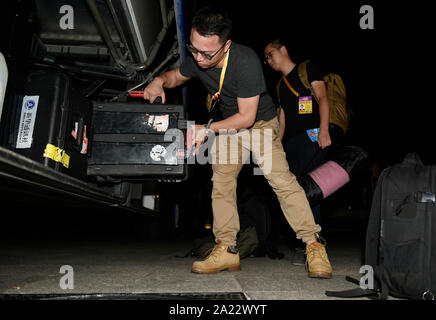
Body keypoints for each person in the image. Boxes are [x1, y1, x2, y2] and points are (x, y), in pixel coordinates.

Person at [143, 7, 332, 278]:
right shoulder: (198, 56)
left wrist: (207, 129)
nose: (198, 58)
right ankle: (227, 249)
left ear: (226, 45)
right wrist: (159, 81)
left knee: (282, 181)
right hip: (228, 128)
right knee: (221, 183)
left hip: (259, 125)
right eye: (193, 49)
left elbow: (246, 118)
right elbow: (177, 75)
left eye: (207, 54)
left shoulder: (245, 61)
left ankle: (314, 245)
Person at [264, 39, 332, 265]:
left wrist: (323, 130)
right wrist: (277, 146)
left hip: (313, 135)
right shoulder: (280, 86)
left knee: (304, 188)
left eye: (271, 54)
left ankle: (311, 244)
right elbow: (282, 118)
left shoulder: (306, 69)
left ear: (283, 50)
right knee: (301, 190)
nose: (269, 60)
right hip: (292, 142)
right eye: (266, 58)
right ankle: (308, 244)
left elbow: (322, 97)